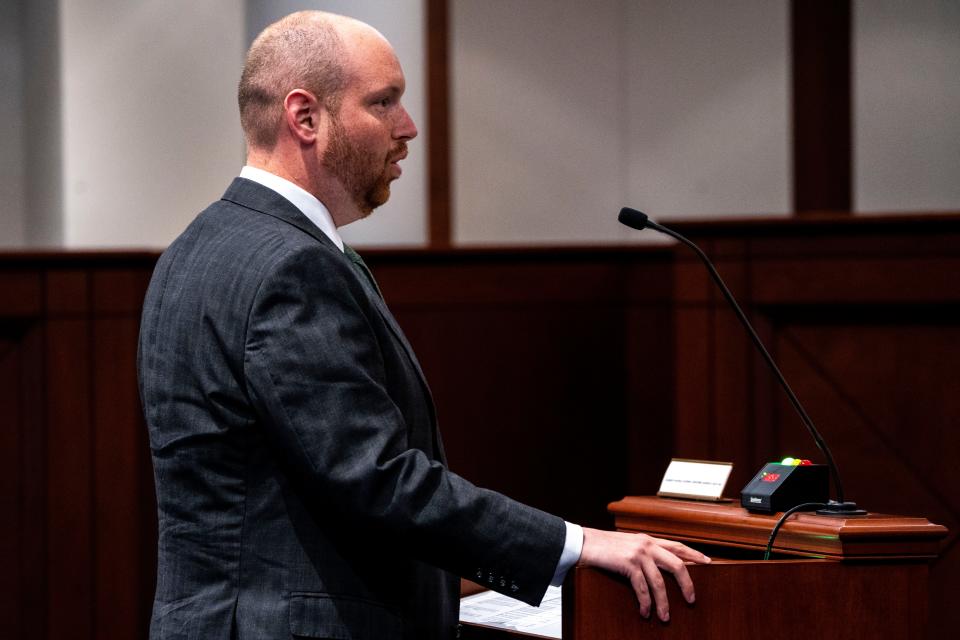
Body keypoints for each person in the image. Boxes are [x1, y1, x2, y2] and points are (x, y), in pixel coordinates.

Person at [138, 10, 709, 640]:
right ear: (305, 118)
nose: (407, 128)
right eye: (383, 102)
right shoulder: (293, 266)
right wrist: (578, 546)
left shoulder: (194, 248)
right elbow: (377, 482)